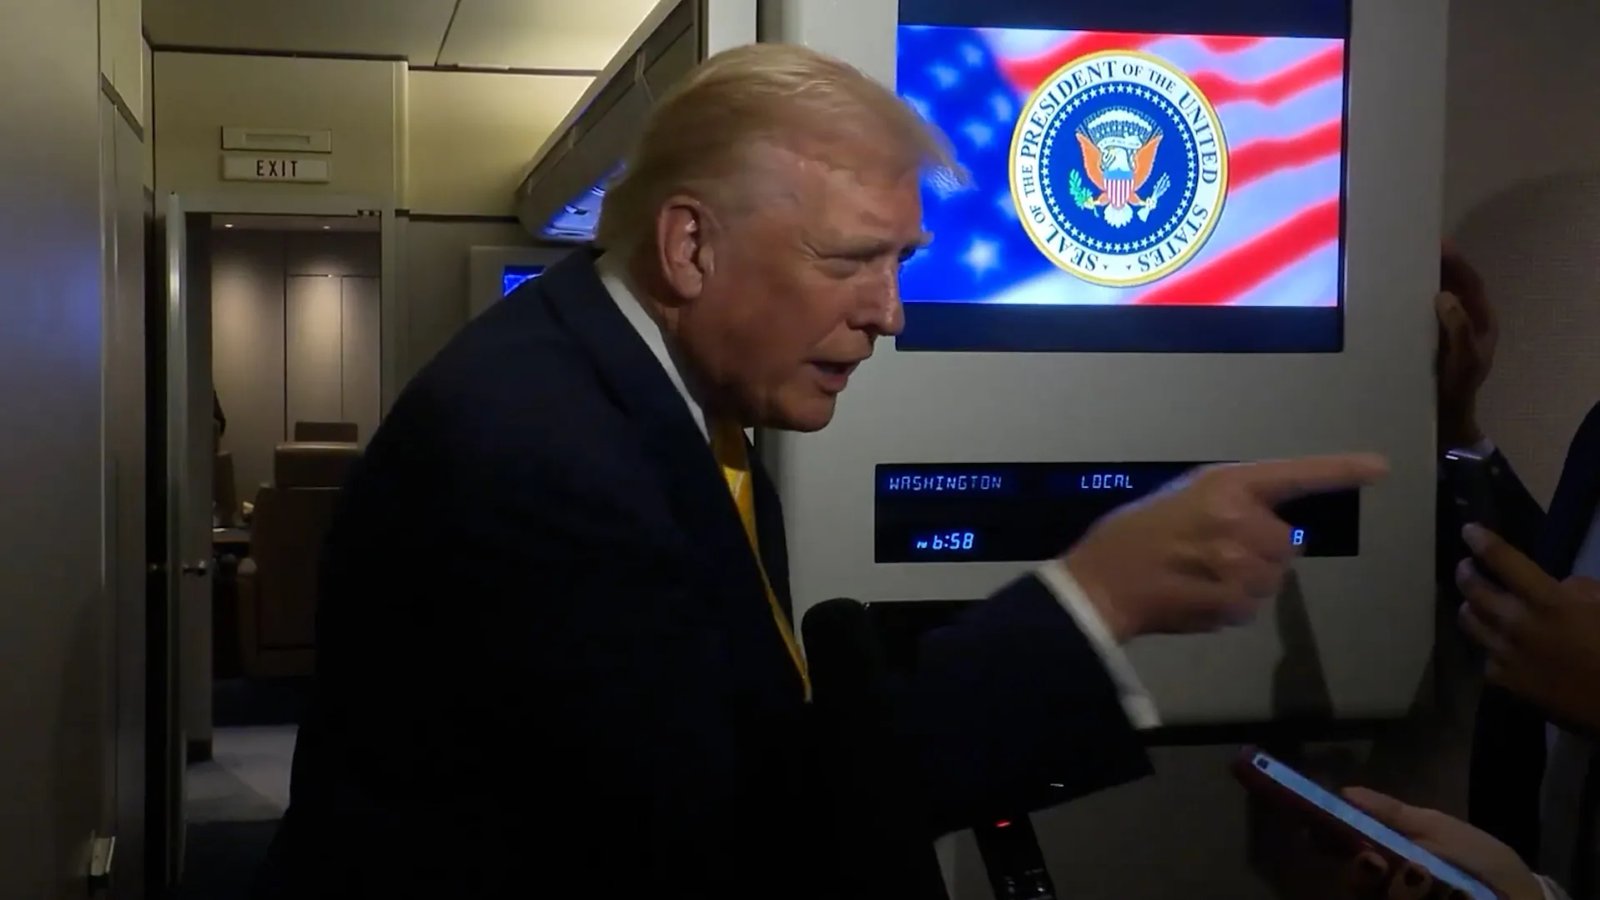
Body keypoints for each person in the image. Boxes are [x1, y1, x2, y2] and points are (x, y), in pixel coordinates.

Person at [251, 44, 1385, 898]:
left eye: (901, 264)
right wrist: (1096, 602)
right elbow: (745, 832)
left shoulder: (656, 396)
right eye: (851, 261)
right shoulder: (541, 458)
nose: (889, 315)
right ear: (689, 246)